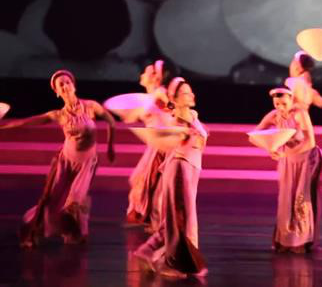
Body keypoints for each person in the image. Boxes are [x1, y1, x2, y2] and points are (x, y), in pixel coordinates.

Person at [0, 70, 115, 248]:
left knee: (75, 201)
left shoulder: (91, 106)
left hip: (87, 162)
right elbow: (27, 122)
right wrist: (4, 127)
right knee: (51, 199)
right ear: (57, 92)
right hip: (66, 160)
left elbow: (111, 121)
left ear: (74, 86)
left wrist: (110, 146)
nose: (65, 86)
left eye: (67, 82)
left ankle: (75, 233)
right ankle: (30, 230)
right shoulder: (58, 115)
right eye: (60, 85)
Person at [133, 77, 209, 279]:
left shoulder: (192, 116)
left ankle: (147, 251)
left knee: (177, 219)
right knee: (180, 219)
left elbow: (200, 142)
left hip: (191, 169)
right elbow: (173, 141)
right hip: (179, 169)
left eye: (190, 91)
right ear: (174, 99)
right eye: (185, 93)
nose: (191, 95)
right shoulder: (174, 122)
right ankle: (172, 263)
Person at [254, 87, 322, 253]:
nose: (280, 107)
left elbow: (310, 142)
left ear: (292, 100)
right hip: (287, 160)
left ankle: (300, 241)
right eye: (277, 104)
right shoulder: (274, 115)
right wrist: (270, 147)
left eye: (284, 103)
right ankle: (286, 240)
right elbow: (254, 135)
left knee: (301, 198)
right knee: (286, 199)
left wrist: (286, 153)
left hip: (306, 159)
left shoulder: (300, 114)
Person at [126, 60, 173, 231]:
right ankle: (151, 218)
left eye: (145, 72)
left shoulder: (160, 92)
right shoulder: (149, 96)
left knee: (152, 182)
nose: (141, 75)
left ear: (154, 77)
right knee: (141, 180)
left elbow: (171, 107)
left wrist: (168, 107)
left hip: (162, 145)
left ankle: (158, 222)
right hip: (154, 144)